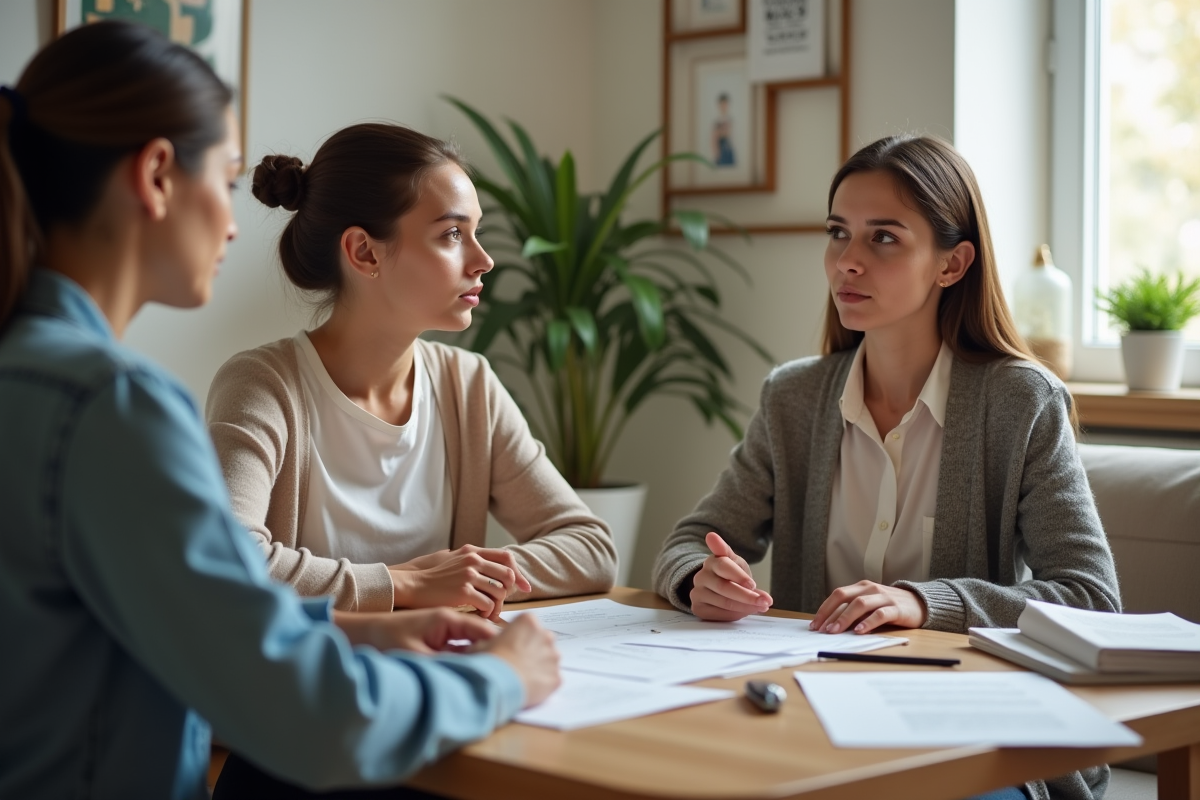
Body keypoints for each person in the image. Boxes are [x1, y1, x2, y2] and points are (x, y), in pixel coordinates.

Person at [0, 21, 559, 800]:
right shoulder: (111, 406)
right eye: (226, 181)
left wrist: (364, 626)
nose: (235, 223)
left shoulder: (30, 375)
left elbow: (174, 626)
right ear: (158, 176)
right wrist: (501, 678)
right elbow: (317, 719)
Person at [652, 135, 1120, 800]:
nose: (846, 262)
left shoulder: (1021, 401)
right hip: (807, 722)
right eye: (838, 233)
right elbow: (687, 541)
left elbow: (1090, 598)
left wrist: (924, 602)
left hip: (970, 737)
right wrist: (700, 577)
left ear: (952, 263)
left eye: (884, 239)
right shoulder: (794, 397)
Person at [203, 124, 616, 620]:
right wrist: (410, 584)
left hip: (443, 670)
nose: (484, 260)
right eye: (452, 234)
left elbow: (590, 548)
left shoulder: (469, 386)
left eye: (476, 232)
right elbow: (224, 559)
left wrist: (464, 581)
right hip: (312, 685)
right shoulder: (262, 387)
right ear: (364, 252)